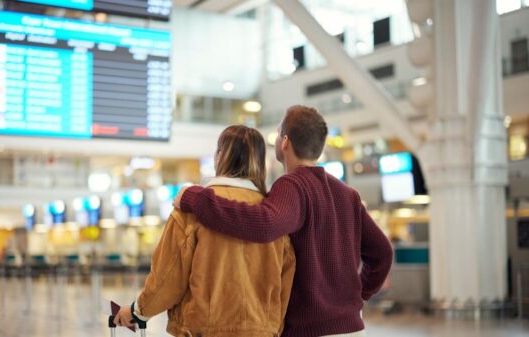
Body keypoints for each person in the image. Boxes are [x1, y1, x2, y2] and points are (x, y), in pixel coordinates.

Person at [174, 105, 393, 337]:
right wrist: (359, 295)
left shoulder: (292, 185)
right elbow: (382, 253)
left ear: (285, 142)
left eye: (278, 133)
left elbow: (264, 224)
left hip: (309, 329)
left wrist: (195, 197)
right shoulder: (347, 194)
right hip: (353, 327)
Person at [114, 125, 296, 337]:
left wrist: (138, 312)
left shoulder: (189, 210)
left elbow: (167, 278)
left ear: (219, 156)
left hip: (203, 331)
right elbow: (285, 289)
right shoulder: (273, 217)